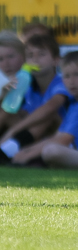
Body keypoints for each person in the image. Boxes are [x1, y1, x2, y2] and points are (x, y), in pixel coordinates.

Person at [0, 33, 70, 162]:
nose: (35, 60)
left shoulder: (61, 83)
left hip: (62, 139)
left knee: (47, 115)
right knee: (8, 110)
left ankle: (7, 150)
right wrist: (4, 97)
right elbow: (17, 112)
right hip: (36, 137)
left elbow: (50, 108)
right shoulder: (28, 84)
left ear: (56, 60)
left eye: (41, 54)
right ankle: (9, 149)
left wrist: (12, 131)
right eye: (30, 55)